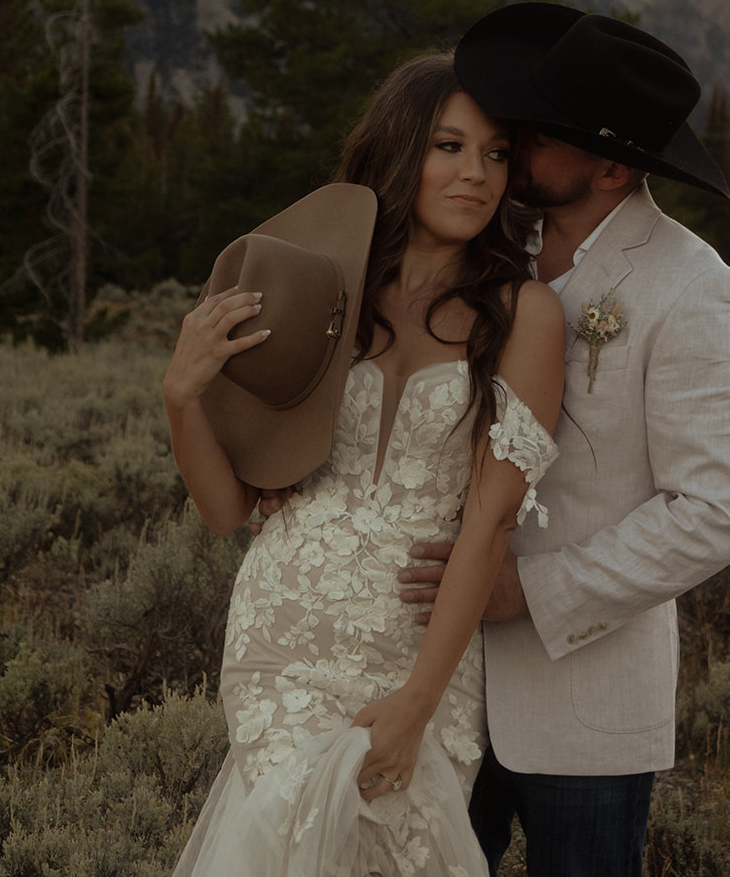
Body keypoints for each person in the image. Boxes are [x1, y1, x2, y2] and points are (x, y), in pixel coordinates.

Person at [163, 51, 567, 877]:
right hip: (283, 638)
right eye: (448, 147)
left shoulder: (524, 311)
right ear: (400, 151)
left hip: (417, 649)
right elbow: (226, 509)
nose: (475, 174)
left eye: (495, 154)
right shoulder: (326, 294)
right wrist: (183, 396)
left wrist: (419, 699)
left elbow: (488, 522)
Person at [399, 6, 730, 877]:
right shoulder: (488, 247)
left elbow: (717, 512)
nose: (509, 140)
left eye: (538, 131)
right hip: (436, 682)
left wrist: (528, 591)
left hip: (585, 710)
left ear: (608, 163)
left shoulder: (692, 286)